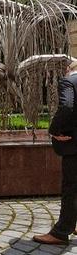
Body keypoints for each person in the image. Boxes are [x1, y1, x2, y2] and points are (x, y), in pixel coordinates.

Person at [33, 59, 77, 245]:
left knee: (71, 187)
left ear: (69, 69)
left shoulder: (68, 81)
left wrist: (54, 130)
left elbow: (67, 106)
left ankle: (61, 232)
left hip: (73, 144)